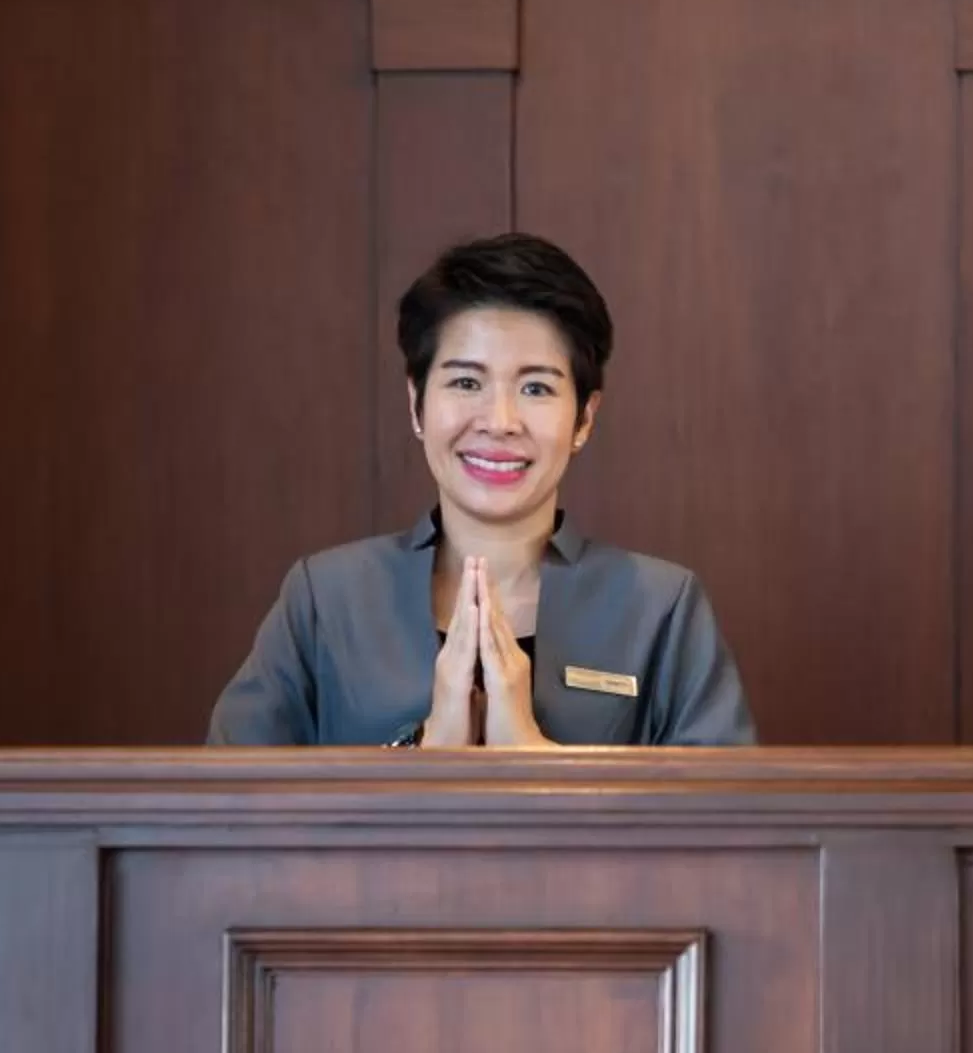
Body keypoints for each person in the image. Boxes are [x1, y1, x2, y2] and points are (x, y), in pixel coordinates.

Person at [208, 234, 753, 746]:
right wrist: (429, 750)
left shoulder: (662, 607)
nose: (500, 420)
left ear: (584, 419)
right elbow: (221, 818)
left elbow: (727, 826)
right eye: (466, 382)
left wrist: (535, 757)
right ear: (417, 404)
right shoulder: (324, 598)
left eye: (536, 387)